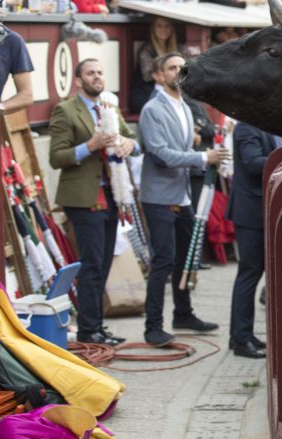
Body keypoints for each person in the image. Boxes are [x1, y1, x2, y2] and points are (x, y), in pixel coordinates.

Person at [138, 52, 225, 347]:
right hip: (159, 197)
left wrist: (198, 149)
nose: (178, 72)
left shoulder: (186, 107)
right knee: (162, 262)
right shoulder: (152, 109)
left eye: (181, 67)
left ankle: (183, 313)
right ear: (159, 76)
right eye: (172, 68)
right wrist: (203, 157)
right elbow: (160, 154)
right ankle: (153, 327)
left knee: (185, 258)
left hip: (181, 194)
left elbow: (179, 146)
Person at [48, 58, 137, 346]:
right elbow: (56, 157)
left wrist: (128, 143)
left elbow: (132, 137)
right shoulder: (65, 110)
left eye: (100, 72)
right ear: (78, 81)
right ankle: (88, 329)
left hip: (113, 194)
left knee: (103, 264)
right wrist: (91, 146)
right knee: (92, 265)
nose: (97, 77)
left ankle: (97, 326)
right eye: (90, 73)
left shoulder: (109, 105)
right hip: (84, 197)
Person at [226, 121, 281, 359]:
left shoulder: (269, 126)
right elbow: (252, 163)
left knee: (250, 274)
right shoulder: (246, 127)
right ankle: (241, 340)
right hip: (250, 213)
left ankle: (239, 334)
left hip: (260, 210)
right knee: (249, 274)